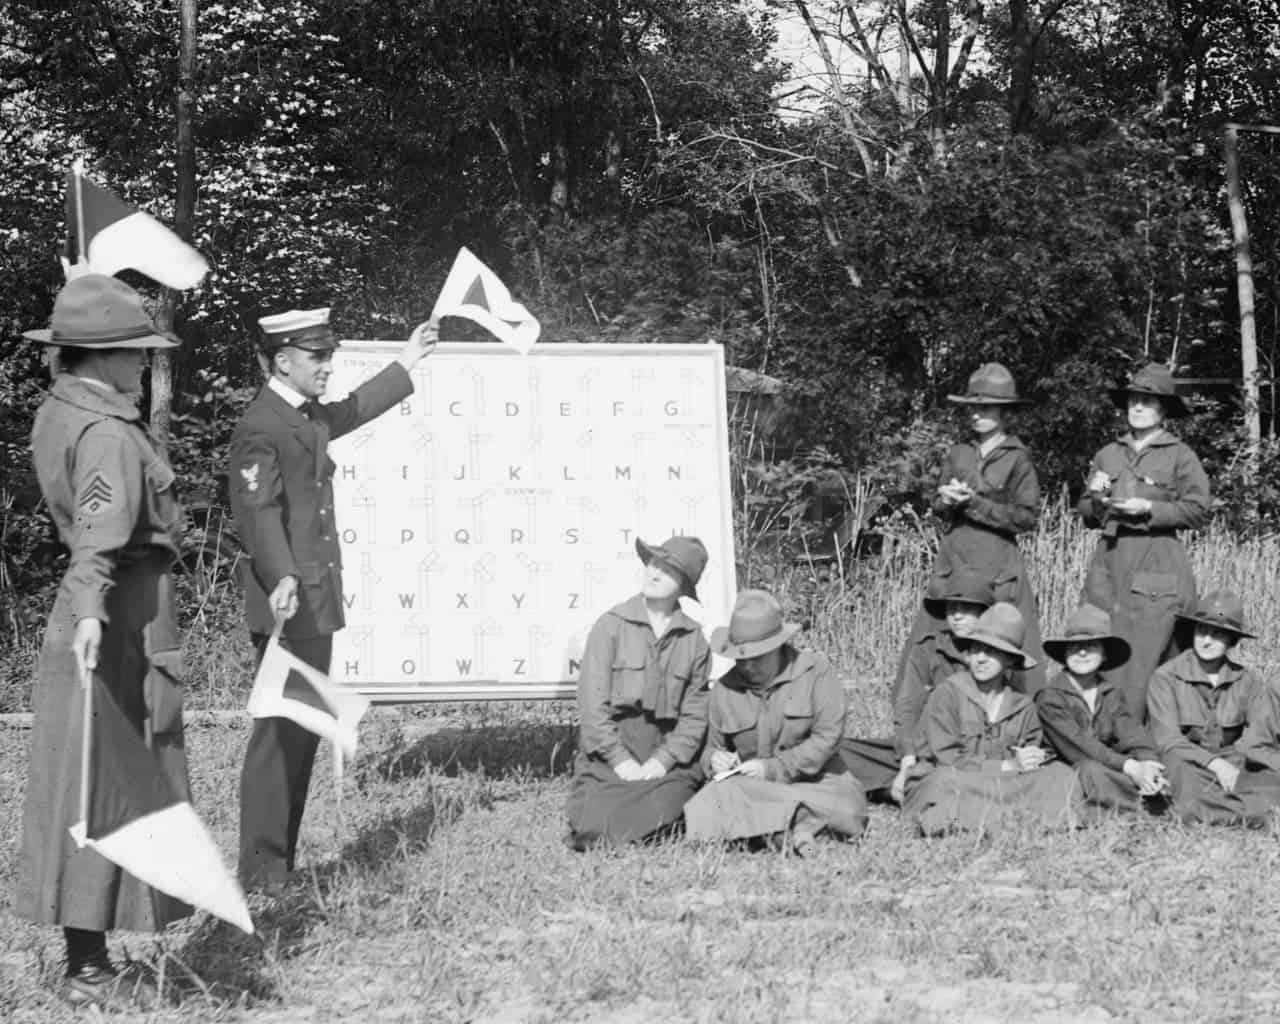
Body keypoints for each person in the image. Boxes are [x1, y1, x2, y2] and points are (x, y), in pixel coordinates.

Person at [15, 274, 189, 1007]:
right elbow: (99, 533)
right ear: (102, 357)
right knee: (110, 782)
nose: (143, 366)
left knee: (88, 781)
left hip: (96, 609)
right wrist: (93, 610)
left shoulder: (59, 411)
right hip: (120, 614)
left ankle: (86, 954)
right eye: (136, 354)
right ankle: (86, 969)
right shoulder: (109, 432)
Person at [231, 306, 438, 892]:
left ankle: (279, 866)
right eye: (318, 357)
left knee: (301, 727)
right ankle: (261, 868)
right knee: (280, 730)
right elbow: (257, 511)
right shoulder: (261, 424)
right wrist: (281, 578)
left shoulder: (303, 415)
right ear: (283, 361)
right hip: (288, 602)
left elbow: (350, 410)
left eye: (330, 356)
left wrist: (408, 359)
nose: (328, 367)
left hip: (314, 601)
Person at [894, 363, 1045, 696]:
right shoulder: (958, 452)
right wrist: (945, 500)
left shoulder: (1018, 458)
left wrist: (974, 503)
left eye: (985, 408)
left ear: (1004, 412)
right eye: (972, 408)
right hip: (954, 563)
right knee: (933, 637)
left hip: (997, 569)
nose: (976, 414)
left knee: (1004, 642)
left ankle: (1014, 720)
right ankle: (920, 715)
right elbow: (937, 507)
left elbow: (1026, 518)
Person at [684, 590, 868, 854]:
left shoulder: (816, 672)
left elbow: (828, 738)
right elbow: (710, 749)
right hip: (753, 788)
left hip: (817, 782)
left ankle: (775, 831)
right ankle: (798, 830)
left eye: (756, 658)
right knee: (710, 801)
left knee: (849, 807)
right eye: (740, 657)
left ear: (777, 646)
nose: (747, 666)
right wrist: (715, 760)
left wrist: (773, 769)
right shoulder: (724, 690)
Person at [1078, 363, 1209, 719]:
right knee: (1103, 648)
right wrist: (1099, 503)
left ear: (1163, 409)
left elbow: (1199, 510)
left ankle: (1141, 740)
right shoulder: (1110, 455)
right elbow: (1090, 503)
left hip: (1157, 563)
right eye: (1133, 399)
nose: (1136, 407)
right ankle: (1101, 731)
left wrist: (1149, 508)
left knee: (1144, 661)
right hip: (1110, 560)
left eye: (1147, 402)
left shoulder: (1179, 455)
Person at [564, 536, 711, 849]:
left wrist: (663, 761)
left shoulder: (694, 639)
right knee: (593, 826)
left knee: (667, 803)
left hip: (665, 752)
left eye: (667, 570)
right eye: (653, 564)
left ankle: (659, 814)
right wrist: (621, 762)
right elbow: (592, 706)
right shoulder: (610, 626)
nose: (654, 573)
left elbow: (695, 715)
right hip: (612, 750)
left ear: (684, 585)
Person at [903, 602, 1080, 836]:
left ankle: (987, 817)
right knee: (943, 781)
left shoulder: (1023, 705)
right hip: (958, 780)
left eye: (991, 651)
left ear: (1009, 660)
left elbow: (1032, 753)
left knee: (1061, 775)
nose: (981, 659)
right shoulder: (948, 692)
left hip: (1003, 786)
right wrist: (1006, 766)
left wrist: (1031, 758)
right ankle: (1008, 818)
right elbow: (946, 758)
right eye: (976, 650)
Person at [841, 571, 995, 803]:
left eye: (966, 608)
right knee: (840, 752)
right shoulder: (928, 649)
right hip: (924, 748)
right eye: (951, 607)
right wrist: (908, 758)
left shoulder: (999, 654)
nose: (957, 616)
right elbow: (908, 707)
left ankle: (906, 787)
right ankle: (906, 783)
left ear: (984, 613)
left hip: (968, 753)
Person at [1146, 590, 1280, 825]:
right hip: (1187, 763)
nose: (1206, 640)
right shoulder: (1166, 677)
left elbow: (1253, 741)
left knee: (1270, 781)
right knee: (1181, 777)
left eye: (1217, 634)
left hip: (1232, 762)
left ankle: (1215, 812)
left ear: (1231, 640)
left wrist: (1233, 766)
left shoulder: (1246, 680)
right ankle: (1244, 813)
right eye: (1201, 631)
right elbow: (1167, 739)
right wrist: (1214, 764)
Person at [1035, 604, 1168, 815]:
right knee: (1090, 771)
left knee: (1168, 764)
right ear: (1064, 655)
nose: (1081, 652)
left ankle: (1147, 798)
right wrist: (1132, 768)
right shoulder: (1050, 697)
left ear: (1104, 655)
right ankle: (1144, 809)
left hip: (1109, 766)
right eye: (1073, 647)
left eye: (1091, 646)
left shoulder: (1110, 693)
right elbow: (1080, 745)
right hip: (1069, 769)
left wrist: (1148, 762)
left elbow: (1130, 732)